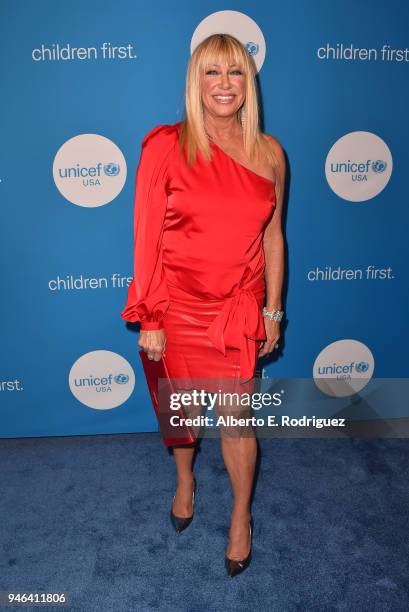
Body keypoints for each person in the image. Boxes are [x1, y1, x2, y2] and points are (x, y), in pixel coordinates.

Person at [121, 33, 286, 577]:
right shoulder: (167, 144)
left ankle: (241, 517)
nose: (224, 85)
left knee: (238, 420)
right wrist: (149, 314)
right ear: (196, 81)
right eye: (212, 73)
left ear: (248, 83)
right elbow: (147, 235)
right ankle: (186, 481)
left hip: (237, 310)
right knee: (182, 411)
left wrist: (272, 310)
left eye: (235, 73)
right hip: (175, 308)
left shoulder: (270, 154)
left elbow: (274, 238)